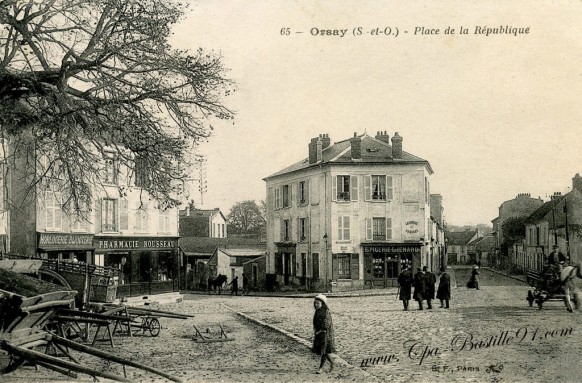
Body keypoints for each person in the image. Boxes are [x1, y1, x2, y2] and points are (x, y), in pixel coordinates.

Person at [312, 294, 335, 374]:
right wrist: (315, 330)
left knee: (324, 351)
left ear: (322, 303)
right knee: (323, 351)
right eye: (315, 303)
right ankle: (332, 363)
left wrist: (320, 331)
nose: (316, 305)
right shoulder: (317, 312)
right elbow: (315, 323)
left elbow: (326, 324)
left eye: (318, 303)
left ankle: (320, 368)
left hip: (325, 334)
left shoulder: (326, 312)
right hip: (319, 334)